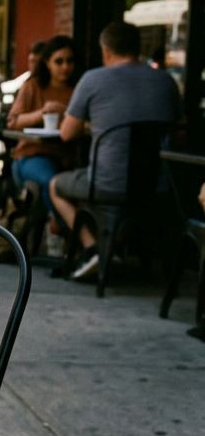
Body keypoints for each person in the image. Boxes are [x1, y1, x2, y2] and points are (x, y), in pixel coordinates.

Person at [50, 22, 181, 281]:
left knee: (56, 185)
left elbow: (66, 133)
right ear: (138, 48)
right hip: (158, 185)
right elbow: (179, 130)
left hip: (108, 183)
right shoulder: (165, 81)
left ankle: (92, 248)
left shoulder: (93, 79)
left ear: (106, 50)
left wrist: (94, 124)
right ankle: (116, 247)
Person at [5, 36, 77, 210]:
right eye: (59, 61)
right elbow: (13, 122)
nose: (65, 67)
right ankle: (55, 230)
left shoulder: (78, 89)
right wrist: (42, 112)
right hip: (32, 155)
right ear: (47, 63)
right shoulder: (33, 87)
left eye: (69, 61)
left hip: (70, 156)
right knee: (52, 181)